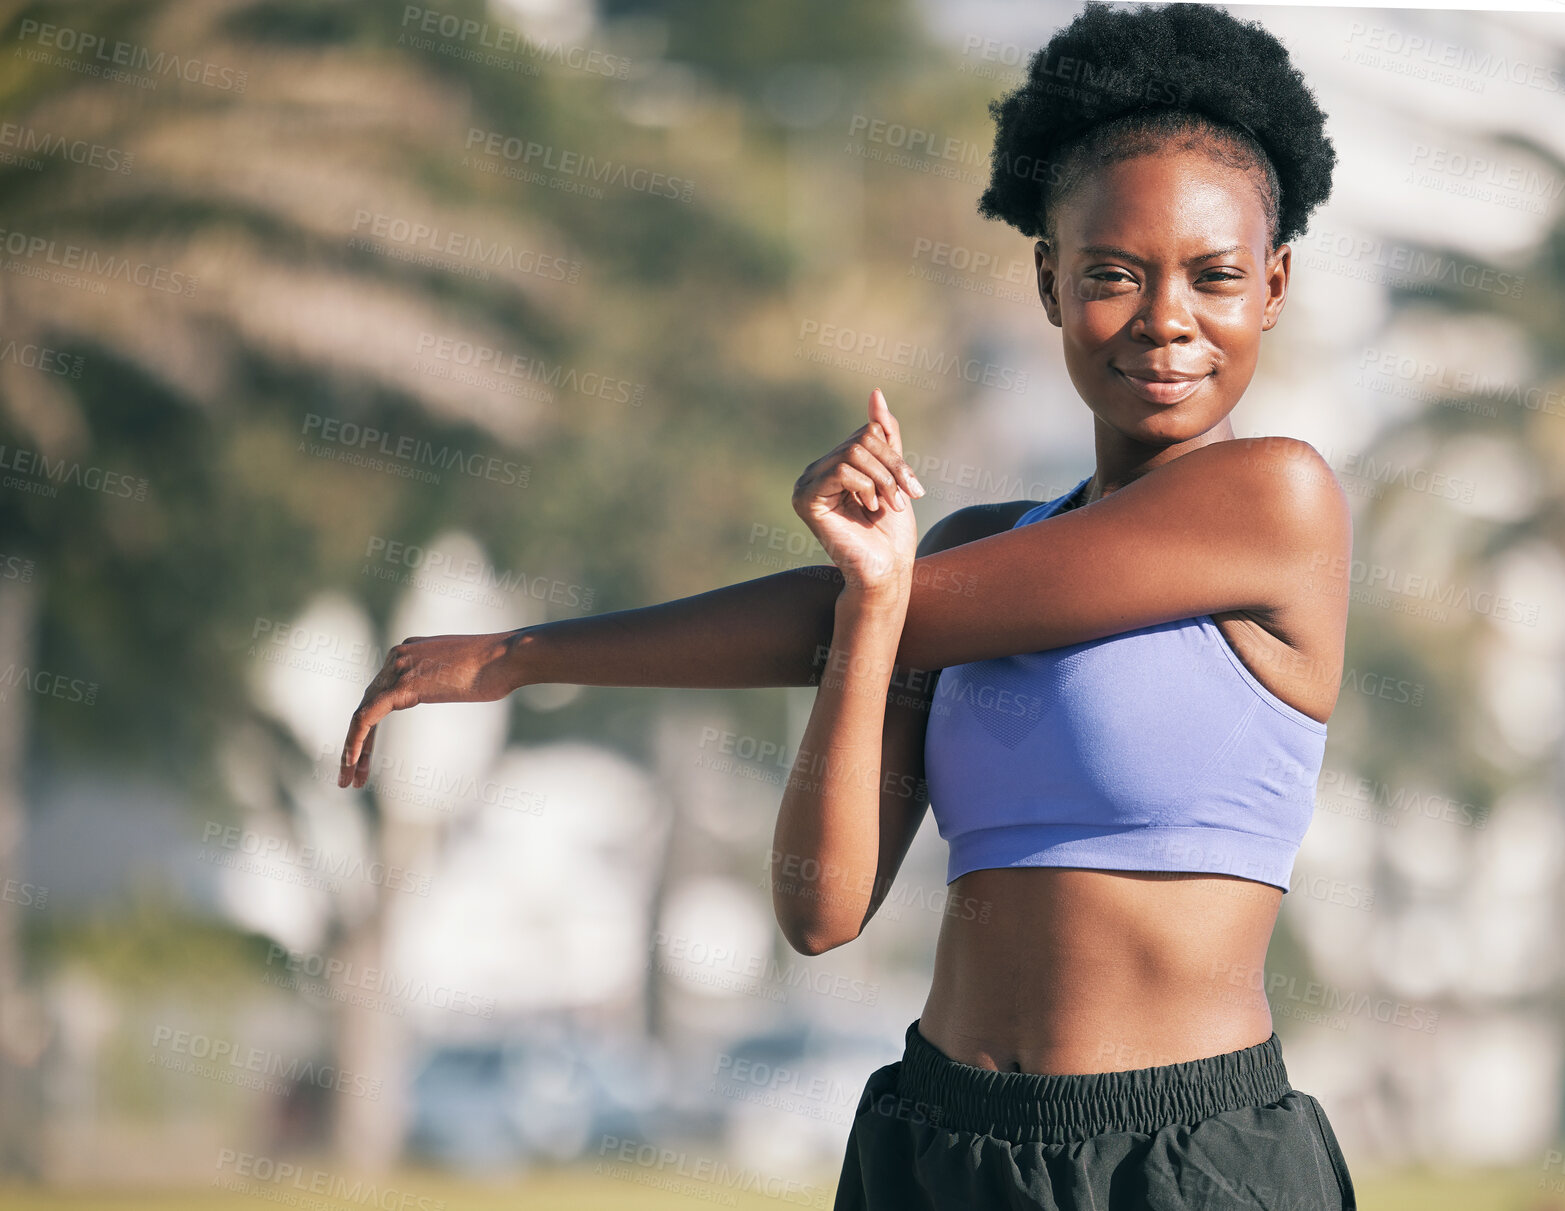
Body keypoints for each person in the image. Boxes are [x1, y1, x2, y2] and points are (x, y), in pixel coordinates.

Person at [337, 3, 1357, 1206]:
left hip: (1178, 1158)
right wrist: (870, 610)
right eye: (1110, 275)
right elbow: (818, 914)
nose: (1165, 319)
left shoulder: (1274, 501)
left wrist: (520, 654)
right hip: (935, 1142)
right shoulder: (968, 558)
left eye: (1215, 277)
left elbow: (900, 607)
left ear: (1275, 283)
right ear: (1047, 279)